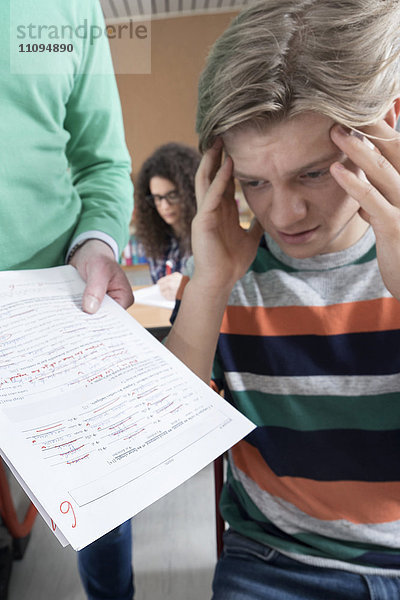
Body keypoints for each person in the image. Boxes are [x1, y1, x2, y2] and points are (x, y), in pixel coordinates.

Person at [166, 0, 400, 597]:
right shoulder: (227, 275)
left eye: (314, 174)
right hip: (275, 562)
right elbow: (162, 445)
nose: (283, 214)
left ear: (382, 132)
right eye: (253, 183)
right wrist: (211, 286)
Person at [1, 1, 135, 599]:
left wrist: (97, 243)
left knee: (101, 508)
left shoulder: (65, 9)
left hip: (56, 303)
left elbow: (102, 162)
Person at [134, 142, 200, 300]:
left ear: (191, 193)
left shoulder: (211, 237)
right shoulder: (155, 239)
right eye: (157, 198)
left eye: (172, 195)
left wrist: (186, 287)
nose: (164, 206)